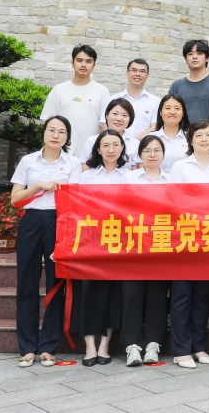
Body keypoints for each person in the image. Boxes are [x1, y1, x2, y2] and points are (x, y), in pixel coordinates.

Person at [10, 116, 81, 368]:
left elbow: (76, 201)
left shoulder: (73, 163)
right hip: (31, 220)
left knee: (56, 283)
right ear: (43, 133)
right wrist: (37, 186)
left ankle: (49, 347)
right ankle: (27, 347)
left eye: (62, 131)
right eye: (51, 130)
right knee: (26, 283)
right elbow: (15, 200)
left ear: (67, 137)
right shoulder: (28, 161)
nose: (55, 135)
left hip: (59, 221)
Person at [168, 120, 209, 368]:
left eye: (208, 135)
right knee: (182, 294)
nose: (204, 139)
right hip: (186, 236)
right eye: (198, 135)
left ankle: (199, 346)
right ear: (190, 140)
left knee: (203, 295)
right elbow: (174, 200)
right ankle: (180, 349)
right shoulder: (180, 167)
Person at [72, 129, 130, 366]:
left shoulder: (128, 177)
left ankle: (104, 345)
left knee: (112, 293)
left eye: (116, 145)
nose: (111, 149)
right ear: (98, 149)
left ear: (122, 148)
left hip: (118, 239)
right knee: (87, 292)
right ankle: (89, 346)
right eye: (105, 145)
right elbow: (76, 207)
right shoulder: (86, 177)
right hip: (90, 239)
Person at [121, 134, 173, 367]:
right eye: (147, 151)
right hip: (133, 245)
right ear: (140, 154)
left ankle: (153, 343)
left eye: (157, 150)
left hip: (161, 244)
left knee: (157, 295)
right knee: (131, 295)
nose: (152, 155)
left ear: (163, 154)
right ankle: (132, 345)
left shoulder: (171, 179)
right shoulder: (129, 177)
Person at [40, 44, 110, 145]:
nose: (83, 65)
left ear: (94, 66)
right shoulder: (58, 90)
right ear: (72, 63)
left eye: (88, 61)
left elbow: (104, 125)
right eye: (79, 60)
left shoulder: (102, 91)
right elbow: (47, 121)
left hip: (90, 149)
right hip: (62, 148)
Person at [169, 39, 209, 126]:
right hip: (183, 133)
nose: (194, 57)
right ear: (185, 59)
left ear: (207, 58)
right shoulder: (176, 86)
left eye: (199, 53)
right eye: (190, 54)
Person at [105, 58, 160, 139]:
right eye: (134, 70)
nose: (137, 74)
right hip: (117, 145)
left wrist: (133, 142)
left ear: (147, 75)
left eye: (142, 71)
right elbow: (105, 125)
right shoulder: (113, 99)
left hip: (143, 145)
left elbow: (154, 127)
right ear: (127, 73)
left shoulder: (155, 101)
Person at [81, 98, 139, 167]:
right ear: (106, 115)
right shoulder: (92, 141)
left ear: (130, 119)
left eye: (124, 115)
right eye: (115, 114)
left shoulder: (135, 144)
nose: (119, 119)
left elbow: (136, 170)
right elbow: (85, 167)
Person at [152, 94, 190, 172]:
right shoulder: (150, 138)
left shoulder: (191, 139)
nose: (172, 112)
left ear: (183, 113)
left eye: (177, 108)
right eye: (168, 108)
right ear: (160, 112)